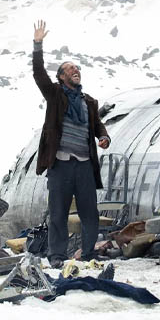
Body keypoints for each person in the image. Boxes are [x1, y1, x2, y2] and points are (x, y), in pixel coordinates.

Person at [31, 20, 110, 267]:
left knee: (90, 213)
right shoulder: (55, 95)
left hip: (84, 165)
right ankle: (57, 257)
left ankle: (87, 253)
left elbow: (96, 125)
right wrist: (37, 44)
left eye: (77, 68)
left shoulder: (89, 102)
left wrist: (103, 136)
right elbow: (38, 73)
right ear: (62, 77)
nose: (75, 71)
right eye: (70, 69)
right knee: (58, 214)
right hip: (61, 164)